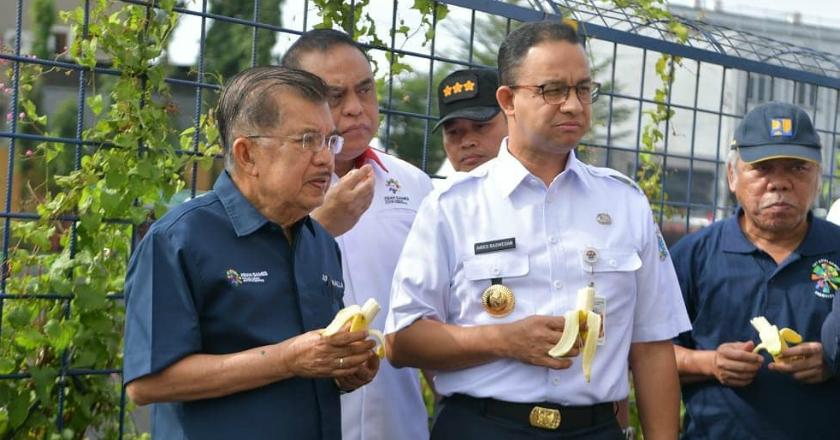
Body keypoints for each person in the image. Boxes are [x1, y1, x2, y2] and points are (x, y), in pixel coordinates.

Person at [386, 20, 690, 439]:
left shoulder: (625, 202)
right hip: (484, 426)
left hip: (594, 428)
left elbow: (653, 346)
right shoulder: (453, 205)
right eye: (552, 90)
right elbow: (402, 341)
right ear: (508, 100)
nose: (572, 104)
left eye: (583, 89)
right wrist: (502, 340)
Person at [122, 66, 380, 439]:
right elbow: (148, 383)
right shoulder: (179, 240)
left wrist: (345, 370)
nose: (325, 159)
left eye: (330, 141)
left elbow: (310, 363)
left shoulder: (319, 242)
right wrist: (288, 359)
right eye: (307, 141)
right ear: (247, 155)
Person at [282, 29, 434, 440]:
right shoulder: (268, 192)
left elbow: (435, 310)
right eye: (335, 97)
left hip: (398, 425)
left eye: (364, 90)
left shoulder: (414, 186)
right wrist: (320, 226)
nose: (355, 109)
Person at [671, 101, 840, 439]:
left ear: (818, 176)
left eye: (797, 168)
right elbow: (651, 354)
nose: (780, 183)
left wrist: (834, 361)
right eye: (762, 168)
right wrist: (711, 363)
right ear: (733, 176)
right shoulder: (694, 255)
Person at [434, 68, 507, 172]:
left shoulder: (537, 182)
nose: (467, 142)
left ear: (512, 121)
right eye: (453, 132)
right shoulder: (441, 188)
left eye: (480, 126)